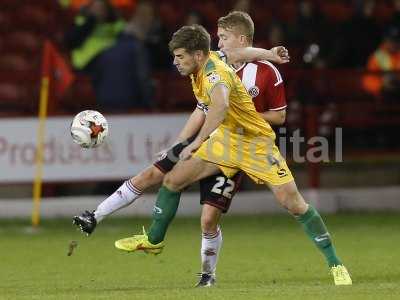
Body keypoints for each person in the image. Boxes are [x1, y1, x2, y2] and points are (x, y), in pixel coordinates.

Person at [114, 24, 352, 286]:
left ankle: (336, 264)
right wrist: (271, 52)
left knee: (293, 203)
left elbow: (240, 108)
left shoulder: (240, 73)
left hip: (256, 145)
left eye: (224, 37)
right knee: (172, 180)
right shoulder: (214, 60)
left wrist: (197, 141)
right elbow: (241, 57)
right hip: (226, 142)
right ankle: (154, 240)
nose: (220, 42)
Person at [72, 42, 288, 231]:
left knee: (208, 220)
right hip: (203, 141)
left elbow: (242, 56)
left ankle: (207, 274)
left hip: (228, 145)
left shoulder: (224, 70)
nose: (220, 43)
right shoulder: (209, 66)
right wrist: (176, 145)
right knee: (149, 175)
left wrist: (269, 55)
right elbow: (201, 110)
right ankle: (95, 216)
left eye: (223, 37)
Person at [362, 26, 400, 101]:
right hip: (383, 97)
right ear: (384, 41)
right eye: (391, 40)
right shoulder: (376, 57)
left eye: (397, 40)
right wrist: (382, 84)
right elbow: (368, 82)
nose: (394, 44)